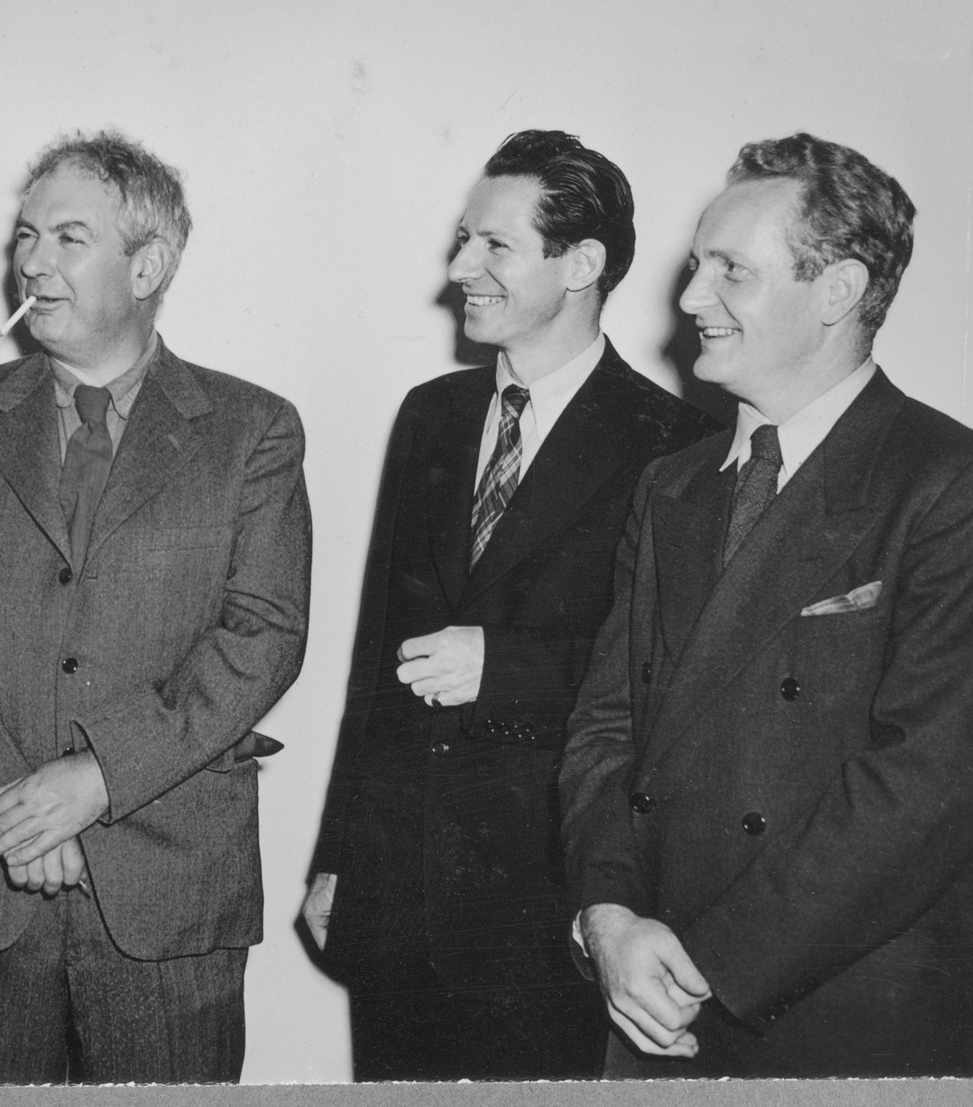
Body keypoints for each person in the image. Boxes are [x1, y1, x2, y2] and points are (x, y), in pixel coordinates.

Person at [560, 133, 973, 1078]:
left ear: (838, 290)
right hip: (647, 996)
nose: (690, 296)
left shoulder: (964, 485)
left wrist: (706, 961)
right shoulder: (672, 486)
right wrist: (606, 915)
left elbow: (924, 787)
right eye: (698, 265)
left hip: (835, 1016)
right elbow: (604, 729)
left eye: (729, 269)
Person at [0, 130, 311, 1086]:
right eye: (26, 235)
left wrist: (97, 778)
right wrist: (13, 816)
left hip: (168, 899)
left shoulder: (253, 430)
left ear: (147, 264)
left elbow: (264, 635)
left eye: (68, 237)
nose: (31, 261)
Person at [303, 129, 717, 1080]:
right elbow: (378, 655)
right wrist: (340, 854)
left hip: (550, 906)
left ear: (582, 264)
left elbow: (673, 679)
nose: (460, 269)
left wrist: (507, 669)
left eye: (494, 246)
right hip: (398, 898)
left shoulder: (676, 442)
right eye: (463, 241)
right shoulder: (431, 415)